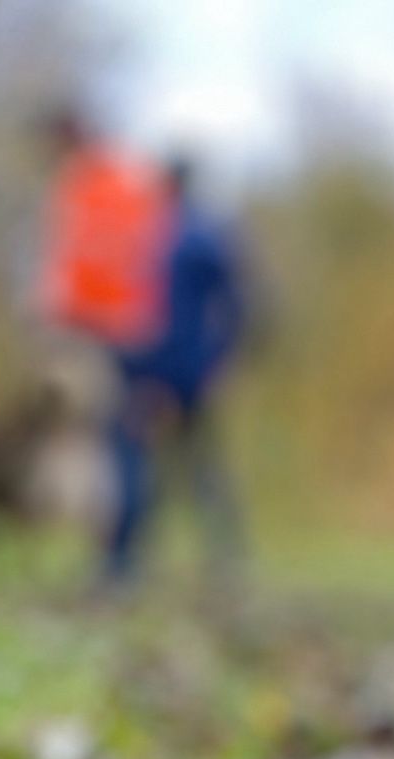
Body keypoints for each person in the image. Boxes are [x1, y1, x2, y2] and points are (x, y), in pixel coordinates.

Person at [35, 108, 172, 584]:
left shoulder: (82, 185)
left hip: (97, 334)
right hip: (142, 331)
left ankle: (116, 563)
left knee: (101, 450)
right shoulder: (135, 180)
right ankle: (123, 559)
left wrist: (56, 328)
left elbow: (68, 272)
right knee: (127, 447)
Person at [120, 156, 249, 578]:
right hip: (186, 370)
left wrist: (157, 374)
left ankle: (134, 564)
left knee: (155, 465)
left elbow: (219, 308)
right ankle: (221, 560)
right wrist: (220, 361)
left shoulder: (179, 239)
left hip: (171, 372)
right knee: (193, 467)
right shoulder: (200, 234)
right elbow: (236, 306)